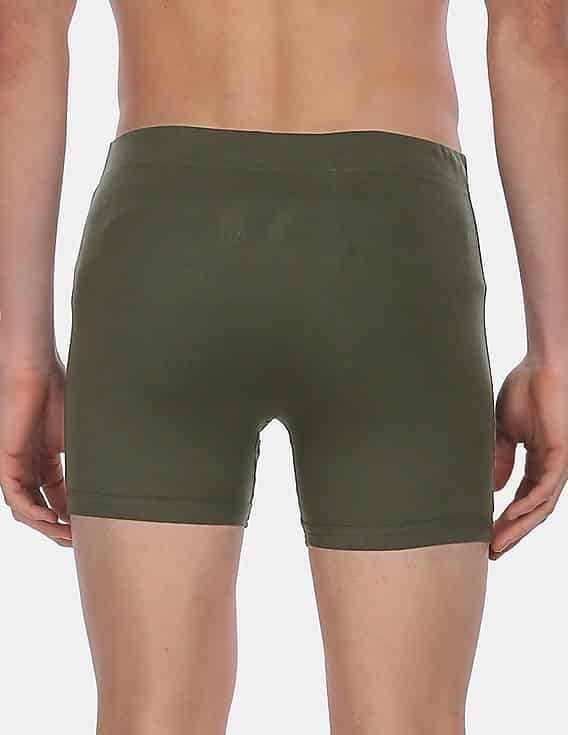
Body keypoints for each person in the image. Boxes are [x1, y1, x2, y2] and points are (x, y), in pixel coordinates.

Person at [1, 0, 567, 732]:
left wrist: (22, 361)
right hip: (391, 250)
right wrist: (555, 356)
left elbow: (19, 39)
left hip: (165, 244)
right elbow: (535, 33)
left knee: (150, 714)